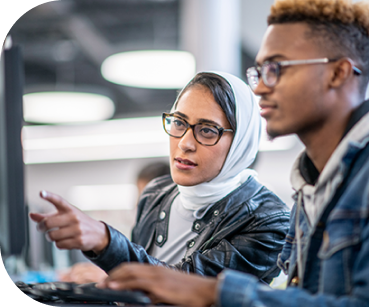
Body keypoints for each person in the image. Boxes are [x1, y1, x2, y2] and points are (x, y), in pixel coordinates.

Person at [98, 0, 369, 306]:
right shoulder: (313, 180)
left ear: (338, 73)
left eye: (278, 69)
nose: (262, 89)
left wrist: (215, 292)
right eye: (260, 72)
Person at [30, 71, 290, 283]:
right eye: (178, 123)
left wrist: (107, 242)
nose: (185, 143)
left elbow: (190, 286)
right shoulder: (156, 193)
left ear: (240, 142)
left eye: (207, 130)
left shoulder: (269, 220)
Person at [58, 161, 171, 284]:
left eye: (148, 200)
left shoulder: (175, 239)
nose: (138, 204)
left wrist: (111, 278)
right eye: (140, 198)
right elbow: (139, 266)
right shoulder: (143, 232)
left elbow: (164, 282)